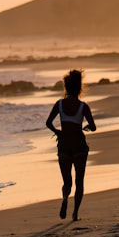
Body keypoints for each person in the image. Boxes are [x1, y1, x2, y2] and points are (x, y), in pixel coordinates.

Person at [45, 69, 96, 221]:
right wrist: (86, 127)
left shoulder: (59, 104)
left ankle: (65, 199)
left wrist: (58, 132)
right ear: (79, 87)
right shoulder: (83, 106)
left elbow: (48, 123)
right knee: (79, 181)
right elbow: (93, 126)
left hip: (64, 145)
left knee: (67, 181)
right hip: (79, 145)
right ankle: (75, 214)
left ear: (66, 87)